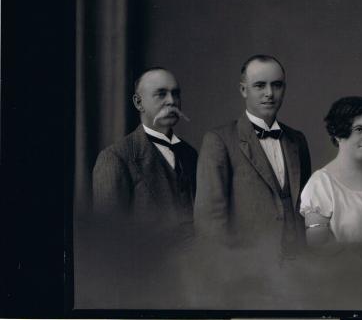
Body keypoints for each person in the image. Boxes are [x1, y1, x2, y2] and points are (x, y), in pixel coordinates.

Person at [196, 55, 311, 259]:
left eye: (276, 85)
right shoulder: (219, 140)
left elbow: (305, 206)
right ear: (243, 90)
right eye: (259, 85)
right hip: (247, 269)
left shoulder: (297, 140)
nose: (269, 93)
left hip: (297, 266)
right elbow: (210, 221)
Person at [92, 67, 198, 235]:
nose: (172, 101)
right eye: (161, 94)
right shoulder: (115, 158)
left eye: (176, 93)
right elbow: (110, 241)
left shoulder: (191, 155)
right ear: (138, 102)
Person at [299, 96, 362, 245]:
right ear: (338, 133)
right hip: (344, 268)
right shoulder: (321, 183)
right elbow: (318, 250)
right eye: (359, 129)